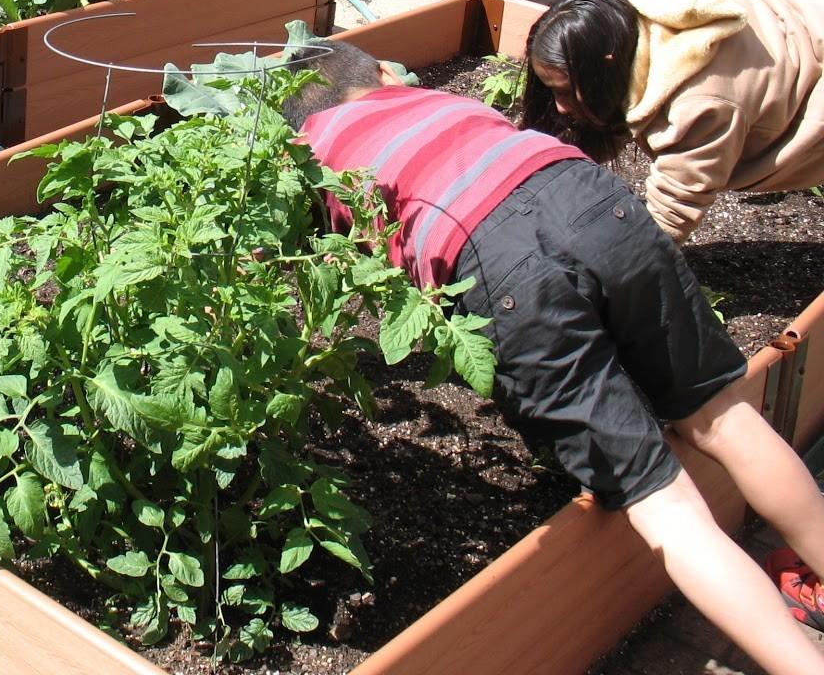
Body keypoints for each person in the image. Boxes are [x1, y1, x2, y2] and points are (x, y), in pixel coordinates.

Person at [283, 38, 824, 674]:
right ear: (383, 72)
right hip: (584, 191)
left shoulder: (311, 155)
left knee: (666, 506)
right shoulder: (437, 100)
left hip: (493, 257)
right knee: (724, 417)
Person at [521, 0, 824, 243]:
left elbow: (670, 215)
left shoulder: (698, 104)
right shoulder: (622, 24)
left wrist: (615, 269)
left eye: (565, 92)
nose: (560, 108)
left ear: (605, 68)